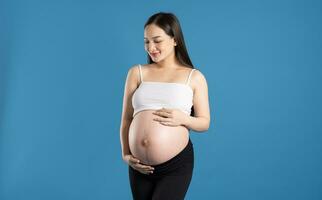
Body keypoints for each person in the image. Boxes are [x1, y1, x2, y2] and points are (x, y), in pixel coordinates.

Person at [120, 12, 210, 200]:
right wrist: (126, 155)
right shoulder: (136, 73)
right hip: (139, 168)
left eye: (157, 40)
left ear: (175, 40)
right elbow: (127, 119)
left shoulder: (194, 77)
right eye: (146, 41)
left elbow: (204, 122)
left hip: (175, 166)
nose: (151, 48)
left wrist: (183, 119)